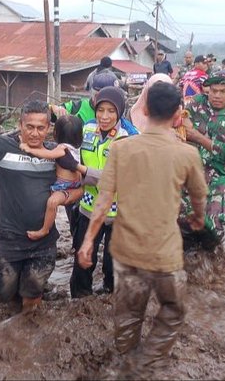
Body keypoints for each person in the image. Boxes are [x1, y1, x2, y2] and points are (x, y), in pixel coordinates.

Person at [78, 81, 208, 374]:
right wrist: (198, 219)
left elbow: (103, 200)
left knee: (128, 316)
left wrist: (87, 242)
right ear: (178, 113)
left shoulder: (122, 149)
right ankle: (147, 361)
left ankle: (127, 363)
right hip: (165, 255)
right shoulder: (187, 154)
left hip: (128, 252)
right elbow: (199, 197)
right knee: (173, 310)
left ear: (144, 109)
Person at [0, 100, 78, 312]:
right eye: (30, 127)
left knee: (31, 299)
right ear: (20, 125)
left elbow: (82, 186)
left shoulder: (56, 154)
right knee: (5, 296)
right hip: (9, 242)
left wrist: (61, 197)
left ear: (49, 129)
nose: (35, 133)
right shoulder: (3, 147)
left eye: (40, 128)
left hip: (43, 245)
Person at [70, 86, 139, 298]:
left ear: (119, 111)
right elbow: (71, 153)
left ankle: (110, 295)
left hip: (119, 213)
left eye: (111, 111)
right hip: (88, 208)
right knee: (82, 259)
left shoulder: (130, 138)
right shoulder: (87, 129)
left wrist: (82, 171)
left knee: (113, 264)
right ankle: (80, 300)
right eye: (101, 110)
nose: (105, 116)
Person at [180, 70, 225, 251]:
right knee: (182, 217)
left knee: (212, 224)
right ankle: (189, 258)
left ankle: (216, 260)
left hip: (218, 174)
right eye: (214, 90)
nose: (217, 95)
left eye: (223, 91)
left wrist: (198, 137)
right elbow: (179, 125)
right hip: (190, 170)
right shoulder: (196, 105)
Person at [20, 115, 84, 240]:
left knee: (51, 202)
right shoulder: (78, 148)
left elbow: (48, 155)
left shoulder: (62, 148)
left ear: (56, 133)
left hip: (64, 188)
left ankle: (45, 229)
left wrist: (29, 149)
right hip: (75, 185)